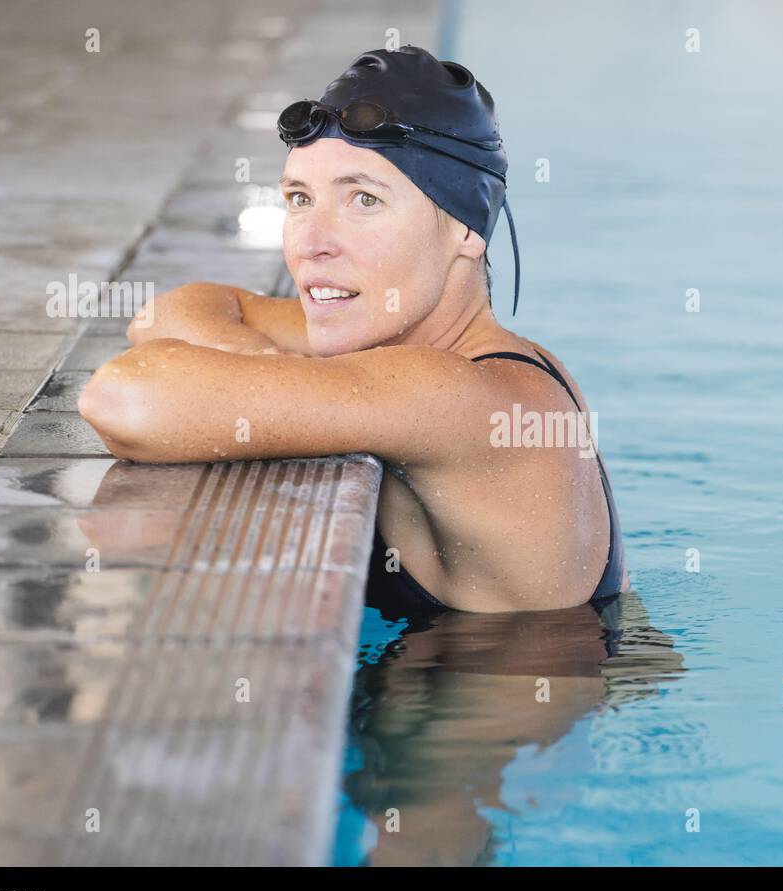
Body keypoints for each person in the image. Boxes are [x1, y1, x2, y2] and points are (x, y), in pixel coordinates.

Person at [78, 45, 626, 614]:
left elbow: (125, 398)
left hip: (496, 683)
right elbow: (170, 312)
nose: (312, 242)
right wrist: (298, 382)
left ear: (467, 228)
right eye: (299, 199)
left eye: (364, 200)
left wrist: (281, 385)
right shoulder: (412, 340)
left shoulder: (458, 394)